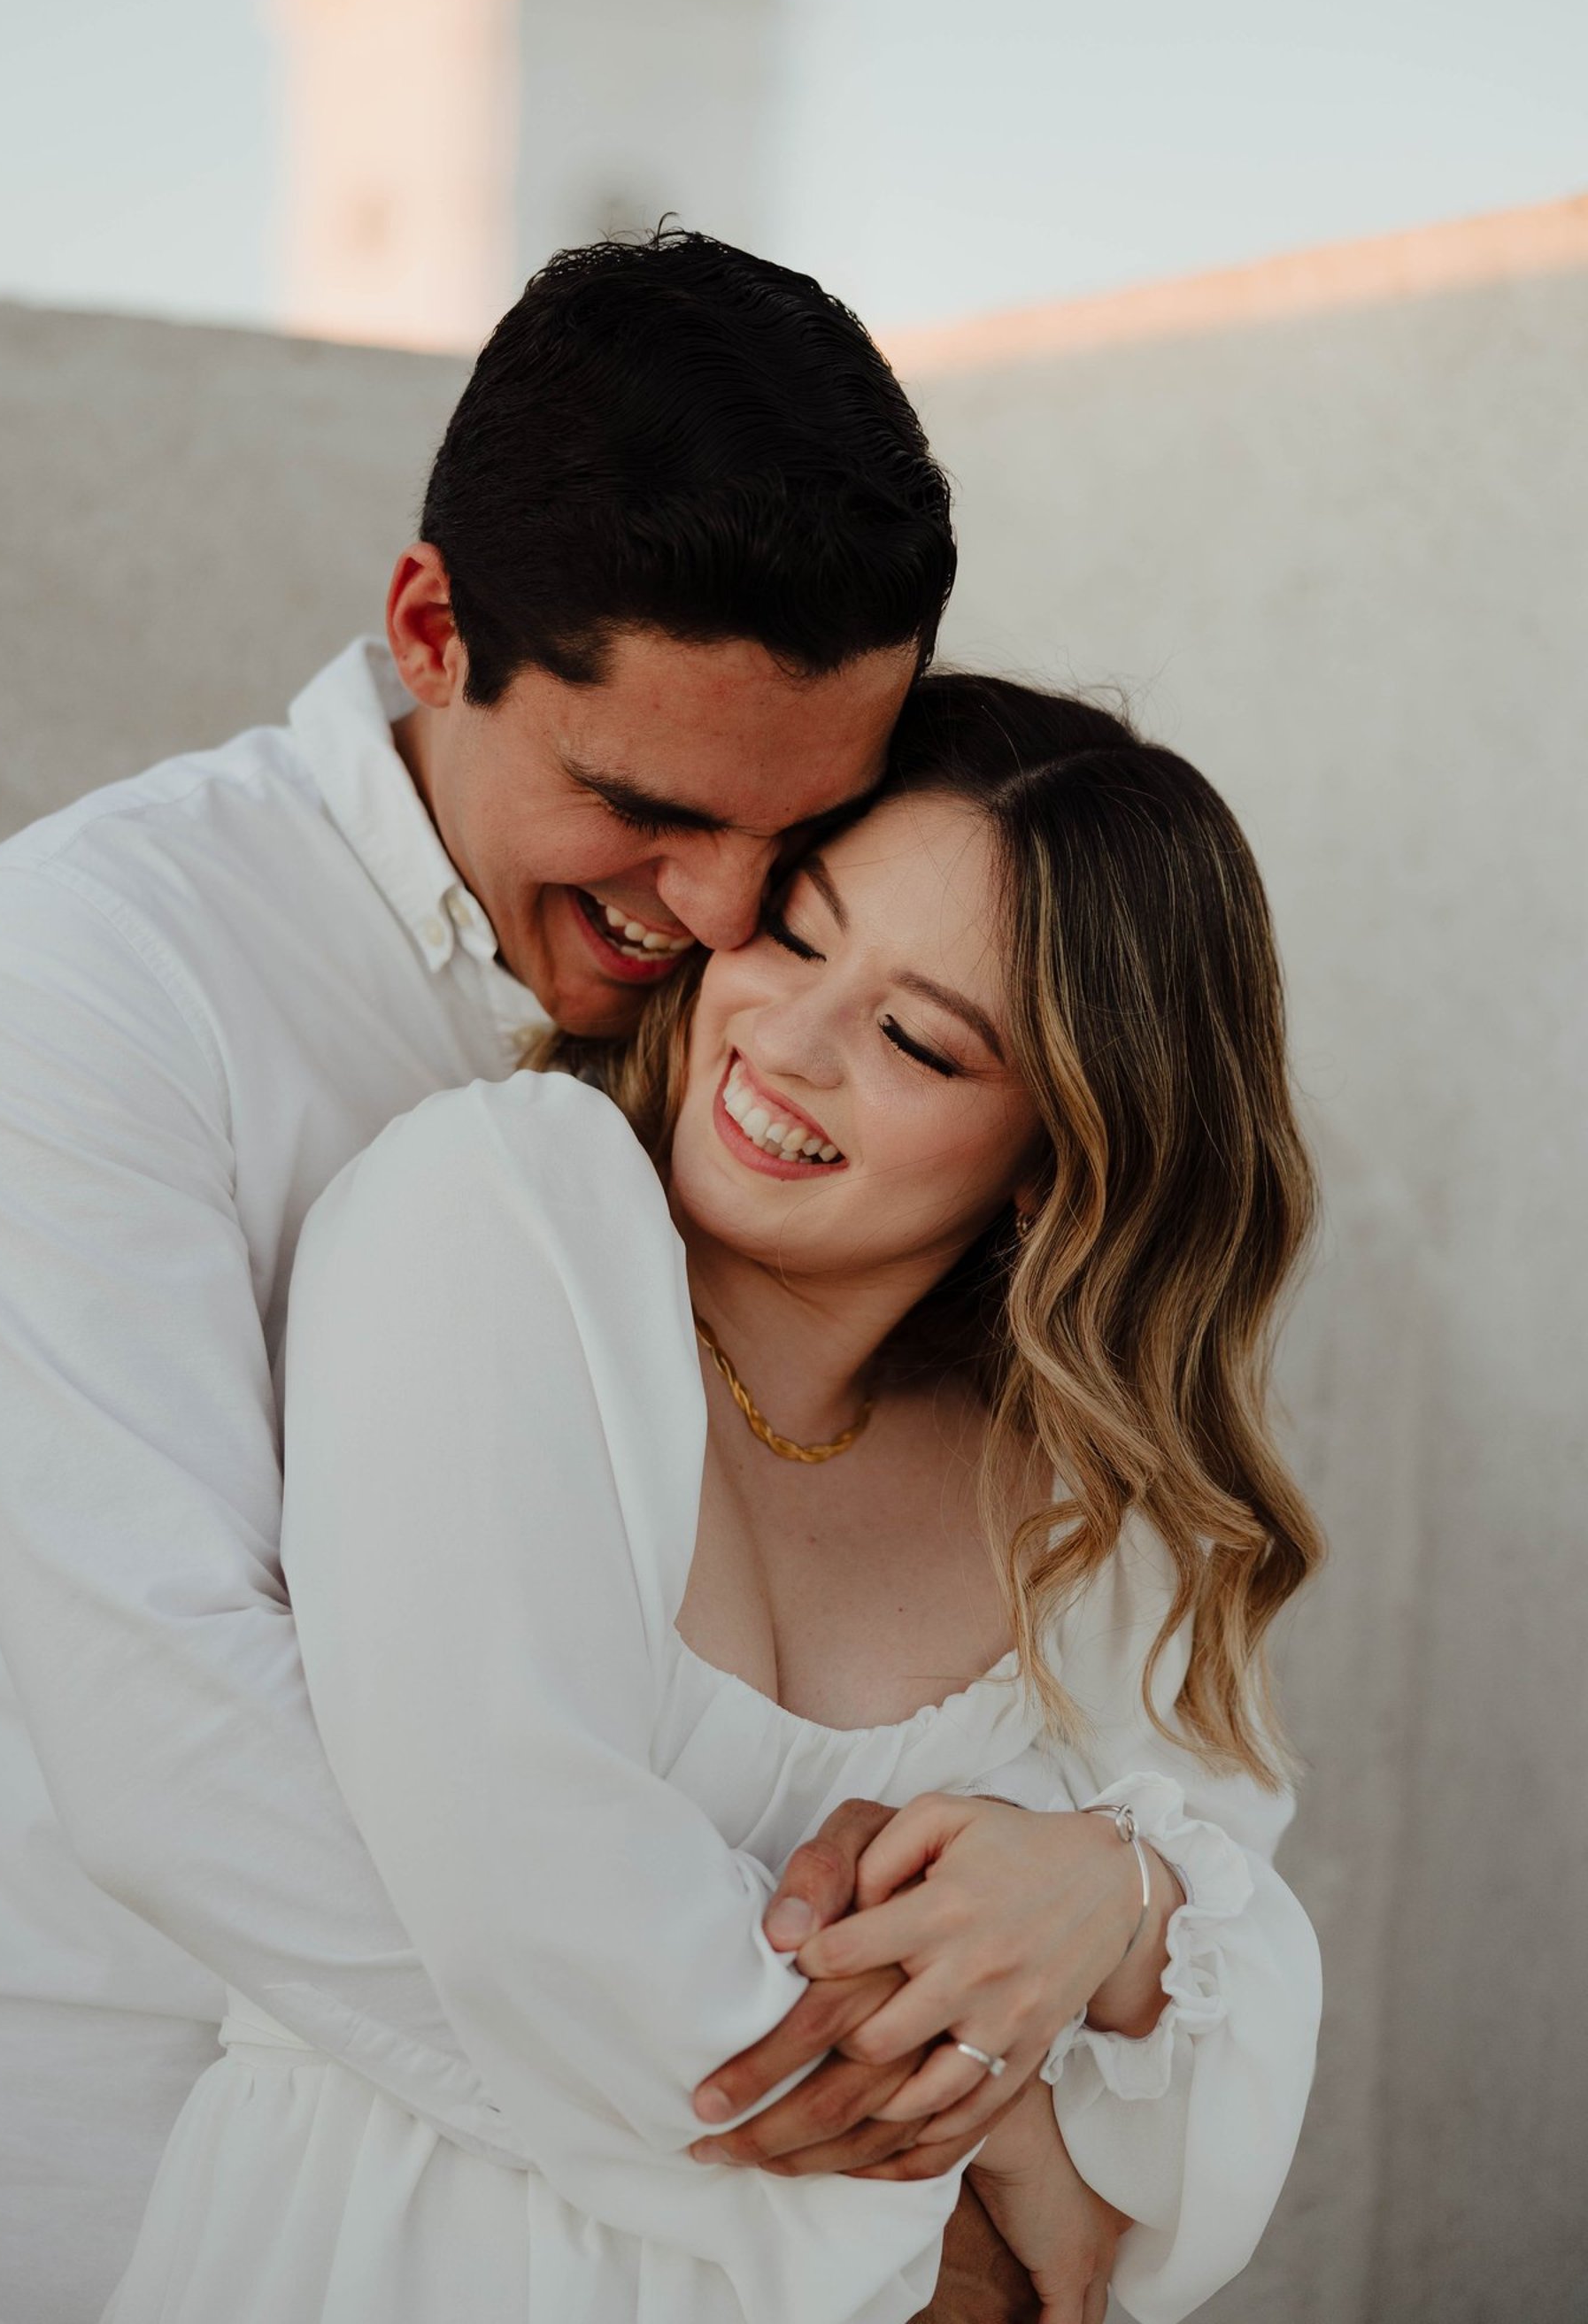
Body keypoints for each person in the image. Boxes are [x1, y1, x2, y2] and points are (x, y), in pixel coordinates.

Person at [0, 231, 957, 2324]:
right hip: (85, 2196)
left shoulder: (801, 990)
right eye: (642, 805)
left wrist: (1091, 1894)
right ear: (427, 626)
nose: (721, 910)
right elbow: (175, 1727)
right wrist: (798, 2174)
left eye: (798, 827)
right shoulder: (87, 960)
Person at [101, 670, 1325, 2324]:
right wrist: (949, 2209)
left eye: (915, 1040)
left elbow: (1243, 1969)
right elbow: (522, 1884)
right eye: (798, 938)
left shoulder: (1087, 1492)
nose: (790, 1043)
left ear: (1059, 1149)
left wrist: (1108, 1896)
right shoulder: (498, 1215)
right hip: (405, 2255)